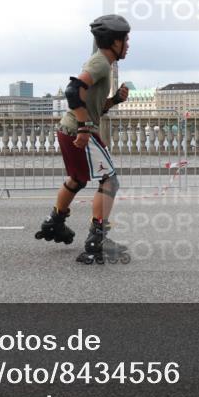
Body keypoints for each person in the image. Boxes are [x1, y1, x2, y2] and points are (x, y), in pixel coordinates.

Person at [34, 15, 131, 264]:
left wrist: (115, 101)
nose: (128, 43)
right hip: (77, 130)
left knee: (77, 179)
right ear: (114, 43)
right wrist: (85, 128)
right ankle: (96, 240)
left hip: (67, 129)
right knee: (110, 181)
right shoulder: (100, 63)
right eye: (125, 39)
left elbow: (94, 104)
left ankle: (55, 221)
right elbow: (72, 90)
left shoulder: (102, 64)